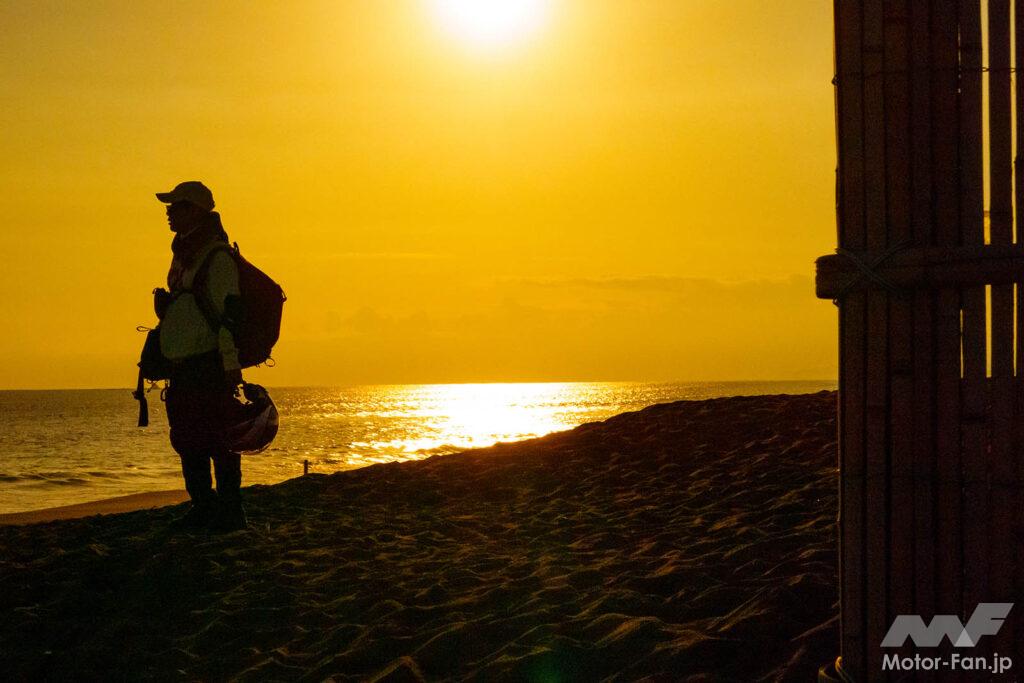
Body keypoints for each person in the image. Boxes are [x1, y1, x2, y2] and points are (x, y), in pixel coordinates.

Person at [154, 181, 248, 532]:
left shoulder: (218, 256)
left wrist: (229, 365)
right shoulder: (184, 255)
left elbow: (229, 316)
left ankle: (229, 510)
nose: (169, 212)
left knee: (220, 441)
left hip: (208, 365)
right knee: (188, 440)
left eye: (177, 206)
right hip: (183, 367)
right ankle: (204, 506)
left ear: (196, 211)